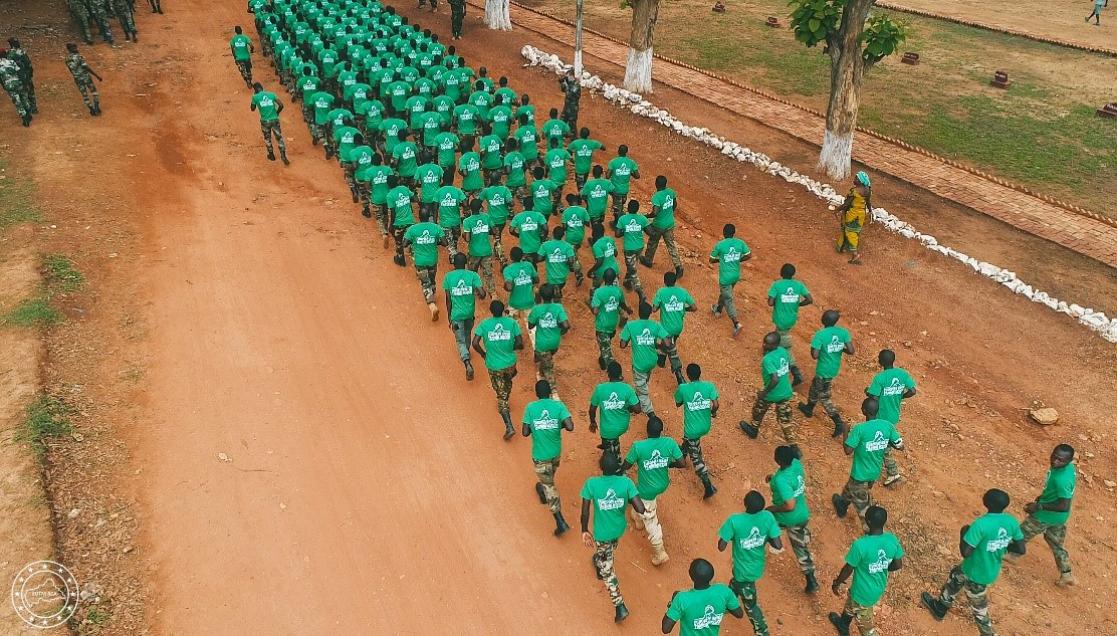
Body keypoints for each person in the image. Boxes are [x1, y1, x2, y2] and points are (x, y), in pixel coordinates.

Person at [921, 489, 1026, 636]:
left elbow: (966, 552)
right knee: (956, 577)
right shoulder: (1011, 522)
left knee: (979, 610)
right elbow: (1021, 548)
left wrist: (963, 532)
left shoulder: (981, 524)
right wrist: (1001, 544)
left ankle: (988, 633)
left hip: (976, 574)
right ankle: (940, 607)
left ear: (987, 503)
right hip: (987, 569)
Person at [581, 454, 645, 622]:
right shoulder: (626, 483)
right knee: (606, 552)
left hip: (602, 534)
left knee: (608, 571)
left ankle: (620, 606)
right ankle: (601, 560)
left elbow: (585, 511)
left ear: (601, 467)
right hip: (618, 529)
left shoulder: (592, 484)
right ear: (617, 468)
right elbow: (640, 508)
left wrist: (584, 530)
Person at [1005, 444, 1076, 587]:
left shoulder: (1061, 480)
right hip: (1059, 519)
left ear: (1069, 460)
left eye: (1060, 460)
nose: (1055, 461)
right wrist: (1043, 497)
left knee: (1022, 532)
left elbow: (1064, 506)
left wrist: (1040, 506)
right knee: (1057, 545)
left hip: (1045, 515)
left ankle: (1012, 554)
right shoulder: (1069, 469)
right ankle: (1066, 573)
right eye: (1054, 456)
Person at [829, 506, 905, 636]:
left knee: (866, 627)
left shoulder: (861, 545)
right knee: (851, 602)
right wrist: (882, 566)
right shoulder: (892, 539)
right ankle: (843, 624)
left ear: (868, 521)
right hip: (877, 587)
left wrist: (837, 582)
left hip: (862, 592)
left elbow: (848, 569)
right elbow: (898, 564)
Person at [717, 491, 782, 636]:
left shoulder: (735, 521)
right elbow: (778, 544)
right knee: (735, 584)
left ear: (745, 504)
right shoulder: (768, 517)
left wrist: (731, 536)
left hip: (743, 571)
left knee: (751, 605)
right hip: (757, 567)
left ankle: (762, 631)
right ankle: (729, 603)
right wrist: (763, 538)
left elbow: (721, 547)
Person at [622, 415, 684, 566]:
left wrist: (619, 471)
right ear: (661, 431)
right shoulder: (669, 442)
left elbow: (626, 465)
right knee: (640, 497)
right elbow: (682, 463)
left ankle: (660, 552)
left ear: (647, 431)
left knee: (650, 518)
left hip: (647, 489)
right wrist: (666, 464)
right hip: (662, 484)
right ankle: (637, 518)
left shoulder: (639, 446)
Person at [831, 398, 903, 529]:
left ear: (863, 411)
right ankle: (842, 504)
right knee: (851, 488)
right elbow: (900, 446)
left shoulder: (860, 429)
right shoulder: (887, 426)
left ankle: (872, 534)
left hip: (860, 474)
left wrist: (846, 430)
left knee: (864, 510)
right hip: (874, 472)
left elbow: (848, 450)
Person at [522, 380, 575, 536]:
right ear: (550, 393)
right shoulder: (558, 406)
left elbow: (525, 432)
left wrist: (537, 426)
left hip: (540, 456)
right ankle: (543, 488)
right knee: (548, 478)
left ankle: (560, 521)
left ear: (537, 394)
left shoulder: (531, 408)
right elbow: (570, 426)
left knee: (550, 487)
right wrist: (556, 425)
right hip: (555, 453)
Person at [767, 445, 819, 593]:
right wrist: (773, 478)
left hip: (790, 517)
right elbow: (791, 482)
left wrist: (773, 508)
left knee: (766, 519)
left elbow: (789, 505)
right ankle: (801, 537)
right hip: (803, 513)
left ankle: (811, 579)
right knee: (798, 539)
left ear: (778, 460)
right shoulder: (796, 464)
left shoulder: (781, 480)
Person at [471, 299, 524, 439]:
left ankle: (509, 427)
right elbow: (520, 343)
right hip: (510, 364)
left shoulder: (485, 324)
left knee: (501, 396)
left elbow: (474, 343)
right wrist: (508, 349)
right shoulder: (512, 323)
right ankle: (505, 395)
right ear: (503, 310)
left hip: (494, 365)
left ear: (491, 311)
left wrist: (484, 354)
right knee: (507, 382)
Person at [799, 310, 855, 438]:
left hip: (823, 370)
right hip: (833, 369)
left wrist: (815, 348)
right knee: (815, 387)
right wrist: (840, 348)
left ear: (823, 320)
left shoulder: (820, 335)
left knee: (823, 397)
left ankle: (838, 422)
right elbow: (851, 351)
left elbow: (815, 355)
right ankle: (809, 408)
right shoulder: (843, 332)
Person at [865, 349, 916, 487]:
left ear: (880, 362)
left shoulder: (880, 378)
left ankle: (893, 473)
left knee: (883, 446)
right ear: (893, 360)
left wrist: (867, 392)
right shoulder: (902, 374)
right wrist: (900, 396)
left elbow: (874, 398)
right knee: (884, 442)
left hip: (880, 417)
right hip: (893, 416)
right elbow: (913, 391)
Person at [741, 332, 797, 451]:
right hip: (785, 391)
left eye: (768, 344)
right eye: (764, 341)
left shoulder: (767, 360)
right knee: (785, 419)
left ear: (775, 344)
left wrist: (764, 392)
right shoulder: (783, 351)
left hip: (772, 393)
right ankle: (794, 446)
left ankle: (753, 429)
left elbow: (775, 379)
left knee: (758, 409)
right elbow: (787, 367)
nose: (764, 344)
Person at [662, 558, 744, 635]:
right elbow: (739, 614)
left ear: (690, 575)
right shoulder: (723, 591)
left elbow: (666, 629)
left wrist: (672, 603)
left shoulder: (682, 599)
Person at [675, 363, 719, 499]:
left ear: (688, 375)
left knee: (696, 457)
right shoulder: (709, 386)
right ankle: (682, 453)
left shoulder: (683, 388)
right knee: (690, 442)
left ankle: (708, 485)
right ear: (700, 373)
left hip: (692, 429)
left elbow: (678, 403)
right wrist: (713, 412)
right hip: (705, 426)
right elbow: (716, 404)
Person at [620, 302, 669, 418]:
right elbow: (667, 342)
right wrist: (657, 346)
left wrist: (629, 340)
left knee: (643, 392)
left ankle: (652, 415)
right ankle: (638, 394)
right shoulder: (655, 325)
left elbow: (622, 345)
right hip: (652, 360)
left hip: (639, 363)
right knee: (644, 381)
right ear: (650, 313)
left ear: (639, 312)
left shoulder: (630, 326)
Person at [767, 263, 812, 385]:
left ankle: (794, 372)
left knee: (784, 346)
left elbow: (770, 303)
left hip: (780, 319)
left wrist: (776, 300)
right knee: (780, 339)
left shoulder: (777, 285)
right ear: (793, 274)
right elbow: (809, 299)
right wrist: (798, 304)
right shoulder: (798, 285)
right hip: (791, 319)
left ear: (781, 273)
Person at [443, 253, 486, 380]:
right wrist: (479, 293)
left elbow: (448, 299)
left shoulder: (448, 277)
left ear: (454, 264)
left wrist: (449, 316)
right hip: (469, 313)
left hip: (456, 315)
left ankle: (467, 362)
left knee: (460, 339)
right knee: (467, 333)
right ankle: (466, 352)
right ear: (466, 263)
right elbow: (482, 293)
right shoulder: (473, 275)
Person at [589, 361, 641, 461]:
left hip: (607, 429)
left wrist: (592, 422)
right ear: (621, 374)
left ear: (608, 374)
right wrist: (628, 406)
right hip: (622, 426)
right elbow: (637, 409)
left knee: (611, 455)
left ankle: (615, 461)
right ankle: (609, 444)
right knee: (612, 437)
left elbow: (592, 409)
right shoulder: (627, 389)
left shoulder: (600, 389)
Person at [651, 271, 696, 385]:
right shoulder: (682, 291)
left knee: (669, 348)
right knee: (669, 342)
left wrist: (661, 305)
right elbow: (694, 307)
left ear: (664, 281)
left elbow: (654, 309)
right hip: (678, 327)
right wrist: (683, 309)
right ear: (675, 281)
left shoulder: (661, 292)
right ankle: (661, 360)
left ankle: (679, 375)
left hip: (666, 329)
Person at [402, 209, 448, 320]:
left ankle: (432, 305)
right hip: (432, 259)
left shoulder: (412, 229)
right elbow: (445, 243)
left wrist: (415, 241)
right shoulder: (436, 228)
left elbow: (404, 244)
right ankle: (432, 293)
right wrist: (435, 241)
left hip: (420, 261)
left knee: (424, 283)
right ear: (428, 216)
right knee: (432, 278)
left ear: (419, 216)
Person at [526, 284, 570, 396]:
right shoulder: (558, 307)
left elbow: (530, 326)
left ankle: (553, 391)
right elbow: (566, 325)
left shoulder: (537, 309)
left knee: (548, 369)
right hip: (555, 342)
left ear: (540, 295)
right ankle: (540, 365)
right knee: (546, 357)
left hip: (542, 344)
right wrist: (560, 333)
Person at [709, 223, 752, 337]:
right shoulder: (740, 243)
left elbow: (711, 259)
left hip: (725, 277)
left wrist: (721, 260)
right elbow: (748, 255)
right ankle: (718, 309)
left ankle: (736, 323)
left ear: (724, 233)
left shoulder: (720, 245)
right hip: (735, 276)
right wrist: (738, 259)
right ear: (733, 233)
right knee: (725, 292)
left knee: (728, 298)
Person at [590, 269, 631, 371]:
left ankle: (614, 372)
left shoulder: (599, 292)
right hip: (613, 325)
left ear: (603, 278)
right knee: (605, 345)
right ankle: (602, 359)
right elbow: (622, 304)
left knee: (608, 353)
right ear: (614, 279)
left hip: (602, 325)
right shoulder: (618, 291)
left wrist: (591, 305)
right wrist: (628, 309)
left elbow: (595, 311)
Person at [643, 175, 683, 279]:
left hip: (659, 225)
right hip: (670, 223)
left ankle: (648, 260)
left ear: (656, 184)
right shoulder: (671, 192)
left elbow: (655, 213)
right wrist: (668, 213)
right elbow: (674, 204)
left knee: (652, 243)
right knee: (671, 245)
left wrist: (646, 216)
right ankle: (678, 267)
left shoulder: (657, 196)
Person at [615, 199, 651, 304]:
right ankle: (627, 281)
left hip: (629, 248)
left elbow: (617, 234)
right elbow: (650, 232)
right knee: (632, 264)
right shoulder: (642, 219)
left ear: (628, 208)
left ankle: (640, 292)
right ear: (637, 209)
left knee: (633, 270)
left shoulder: (623, 219)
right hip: (640, 247)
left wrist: (626, 230)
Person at [835, 171, 872, 264]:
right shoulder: (868, 190)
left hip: (852, 215)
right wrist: (870, 210)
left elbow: (846, 204)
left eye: (856, 178)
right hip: (861, 215)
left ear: (860, 181)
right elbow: (868, 202)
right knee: (854, 230)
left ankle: (855, 255)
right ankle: (841, 247)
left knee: (850, 232)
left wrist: (836, 210)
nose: (854, 180)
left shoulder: (854, 192)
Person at [461, 198, 496, 293]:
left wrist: (464, 235)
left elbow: (468, 239)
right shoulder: (487, 217)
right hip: (486, 250)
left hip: (474, 251)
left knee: (472, 272)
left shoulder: (467, 221)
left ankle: (475, 289)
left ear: (470, 208)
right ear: (481, 208)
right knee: (488, 274)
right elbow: (494, 231)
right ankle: (493, 294)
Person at [249, 82, 289, 164]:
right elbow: (281, 105)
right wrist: (277, 113)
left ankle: (271, 155)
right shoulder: (272, 94)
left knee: (267, 138)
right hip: (274, 119)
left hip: (265, 121)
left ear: (255, 90)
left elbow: (252, 109)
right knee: (279, 137)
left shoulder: (255, 97)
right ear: (262, 87)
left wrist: (255, 100)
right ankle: (283, 155)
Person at [539, 225, 577, 298]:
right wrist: (566, 262)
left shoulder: (546, 245)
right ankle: (558, 290)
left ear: (553, 234)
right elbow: (571, 260)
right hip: (562, 277)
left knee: (549, 294)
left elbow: (539, 258)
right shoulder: (568, 246)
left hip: (551, 278)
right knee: (559, 287)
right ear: (563, 235)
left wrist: (548, 256)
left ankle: (555, 294)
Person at [65, 43, 102, 117]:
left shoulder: (67, 59)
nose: (76, 49)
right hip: (86, 77)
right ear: (71, 49)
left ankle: (91, 109)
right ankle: (97, 107)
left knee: (84, 94)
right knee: (94, 92)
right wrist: (97, 76)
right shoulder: (79, 56)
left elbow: (71, 70)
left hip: (77, 79)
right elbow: (86, 67)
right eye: (74, 47)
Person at [606, 145, 640, 217]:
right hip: (625, 189)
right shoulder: (631, 162)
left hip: (615, 189)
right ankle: (620, 210)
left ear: (618, 151)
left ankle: (617, 222)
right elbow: (637, 176)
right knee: (621, 203)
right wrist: (630, 172)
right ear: (626, 152)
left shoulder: (613, 162)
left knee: (617, 206)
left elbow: (607, 176)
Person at [0, 50, 31, 127]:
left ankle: (25, 118)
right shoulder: (12, 62)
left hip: (9, 85)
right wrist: (24, 83)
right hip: (18, 82)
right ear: (6, 54)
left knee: (17, 101)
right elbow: (19, 72)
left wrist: (3, 85)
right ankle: (28, 113)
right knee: (24, 97)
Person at [5, 40, 35, 115]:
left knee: (22, 93)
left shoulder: (10, 54)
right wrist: (30, 73)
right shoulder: (22, 52)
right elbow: (29, 64)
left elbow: (10, 67)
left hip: (18, 76)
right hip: (26, 74)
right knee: (30, 91)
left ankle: (26, 110)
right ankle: (34, 108)